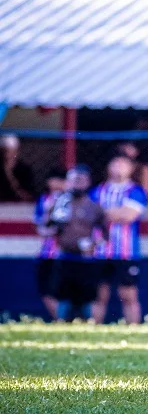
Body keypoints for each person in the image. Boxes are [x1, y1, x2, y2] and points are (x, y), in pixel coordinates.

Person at [91, 152, 148, 324]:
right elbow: (89, 215)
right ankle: (94, 330)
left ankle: (133, 330)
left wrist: (103, 213)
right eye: (116, 163)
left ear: (131, 168)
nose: (119, 167)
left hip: (126, 252)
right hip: (100, 251)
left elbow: (129, 215)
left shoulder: (136, 191)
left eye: (124, 164)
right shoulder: (97, 190)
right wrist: (117, 212)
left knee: (128, 294)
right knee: (99, 294)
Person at [47, 165, 106, 321]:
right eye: (73, 180)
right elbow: (45, 228)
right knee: (62, 296)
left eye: (80, 180)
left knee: (88, 297)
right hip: (64, 257)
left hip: (86, 260)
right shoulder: (59, 204)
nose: (76, 184)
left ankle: (91, 325)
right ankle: (60, 324)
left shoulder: (94, 207)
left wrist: (94, 244)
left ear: (87, 182)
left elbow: (105, 235)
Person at [34, 168, 68, 320]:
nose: (57, 184)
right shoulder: (44, 199)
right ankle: (60, 320)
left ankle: (69, 320)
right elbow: (42, 227)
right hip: (48, 253)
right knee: (46, 290)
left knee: (66, 291)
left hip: (67, 254)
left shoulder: (70, 200)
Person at [0, 134, 35, 202]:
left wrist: (9, 174)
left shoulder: (24, 169)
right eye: (6, 151)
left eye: (13, 151)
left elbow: (28, 195)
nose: (10, 154)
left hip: (18, 205)